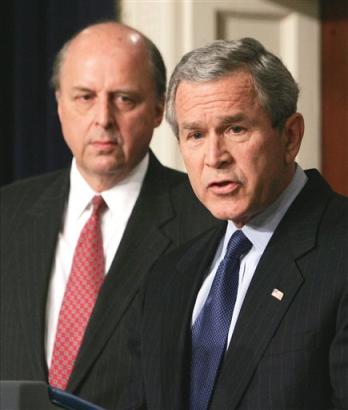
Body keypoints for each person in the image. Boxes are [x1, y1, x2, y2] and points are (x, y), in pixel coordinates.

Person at [0, 22, 218, 409]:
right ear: (59, 104)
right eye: (84, 97)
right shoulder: (8, 212)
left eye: (124, 99)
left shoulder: (209, 221)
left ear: (157, 110)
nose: (103, 118)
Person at [129, 38, 348, 409]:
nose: (214, 158)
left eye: (235, 129)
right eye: (196, 135)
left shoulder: (339, 251)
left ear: (290, 136)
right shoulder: (167, 277)